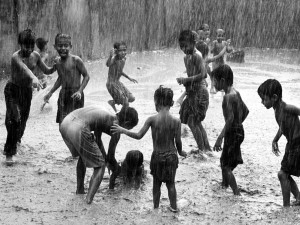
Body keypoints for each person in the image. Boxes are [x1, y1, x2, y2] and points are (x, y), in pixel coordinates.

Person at [111, 86, 187, 212]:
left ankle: (156, 209)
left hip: (157, 156)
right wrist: (180, 152)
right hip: (171, 156)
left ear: (157, 102)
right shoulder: (176, 121)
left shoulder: (152, 119)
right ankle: (174, 208)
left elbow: (138, 136)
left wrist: (122, 130)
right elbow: (178, 141)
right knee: (171, 184)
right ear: (171, 102)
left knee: (156, 185)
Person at [59, 106, 139, 203]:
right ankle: (88, 200)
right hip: (79, 127)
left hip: (65, 123)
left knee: (84, 155)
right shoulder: (116, 128)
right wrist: (118, 170)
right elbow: (110, 157)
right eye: (129, 128)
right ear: (126, 123)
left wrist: (105, 159)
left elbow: (98, 139)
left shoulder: (107, 114)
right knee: (100, 166)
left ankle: (80, 191)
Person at [3, 29, 56, 166]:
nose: (29, 49)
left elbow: (47, 70)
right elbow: (25, 69)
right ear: (20, 44)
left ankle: (16, 140)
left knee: (23, 121)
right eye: (26, 46)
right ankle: (9, 153)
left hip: (26, 92)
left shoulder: (36, 55)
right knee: (15, 118)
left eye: (31, 46)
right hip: (12, 90)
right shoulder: (16, 56)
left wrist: (57, 66)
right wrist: (33, 77)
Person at [257, 79, 300, 207]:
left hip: (297, 144)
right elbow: (283, 126)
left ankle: (286, 206)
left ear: (274, 97)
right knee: (284, 174)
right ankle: (298, 197)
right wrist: (275, 139)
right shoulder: (277, 110)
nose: (262, 102)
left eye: (264, 99)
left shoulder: (286, 108)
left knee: (283, 174)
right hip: (291, 145)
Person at [212, 65, 249, 195]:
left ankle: (236, 192)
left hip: (232, 132)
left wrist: (220, 137)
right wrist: (238, 125)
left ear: (222, 81)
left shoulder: (228, 97)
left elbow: (229, 119)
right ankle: (224, 184)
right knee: (224, 161)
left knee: (226, 165)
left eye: (214, 81)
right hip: (239, 130)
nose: (213, 84)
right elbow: (246, 111)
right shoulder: (235, 93)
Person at [44, 33, 90, 124]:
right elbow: (60, 79)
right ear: (55, 47)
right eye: (60, 46)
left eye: (66, 46)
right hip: (63, 94)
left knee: (77, 123)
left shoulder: (76, 60)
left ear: (71, 46)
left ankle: (80, 138)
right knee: (62, 123)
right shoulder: (57, 62)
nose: (63, 48)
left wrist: (80, 91)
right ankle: (66, 139)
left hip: (76, 94)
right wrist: (50, 92)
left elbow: (87, 76)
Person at [177, 29, 211, 152]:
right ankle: (206, 148)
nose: (184, 49)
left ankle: (202, 149)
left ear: (194, 42)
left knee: (193, 122)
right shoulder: (186, 58)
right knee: (195, 122)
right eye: (181, 47)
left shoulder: (197, 55)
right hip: (192, 92)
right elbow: (192, 76)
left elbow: (204, 74)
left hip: (200, 93)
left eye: (186, 46)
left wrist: (186, 80)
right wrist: (186, 84)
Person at [106, 41, 138, 112]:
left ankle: (113, 102)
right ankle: (121, 118)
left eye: (124, 50)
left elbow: (119, 71)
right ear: (116, 51)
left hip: (118, 83)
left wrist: (129, 78)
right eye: (121, 51)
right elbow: (108, 64)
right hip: (111, 84)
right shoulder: (114, 59)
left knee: (131, 98)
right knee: (126, 103)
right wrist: (110, 56)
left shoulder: (124, 59)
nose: (123, 52)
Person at [210, 29, 232, 93]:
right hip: (215, 61)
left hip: (221, 61)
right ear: (216, 36)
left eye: (222, 36)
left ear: (224, 37)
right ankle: (212, 88)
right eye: (219, 35)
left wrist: (228, 45)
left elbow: (228, 50)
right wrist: (213, 47)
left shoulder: (225, 43)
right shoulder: (214, 42)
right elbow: (211, 51)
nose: (220, 37)